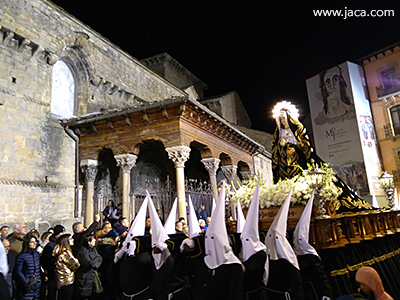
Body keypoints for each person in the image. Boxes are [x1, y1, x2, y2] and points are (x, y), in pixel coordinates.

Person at [41, 224, 67, 300]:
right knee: (52, 293)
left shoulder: (60, 244)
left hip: (60, 273)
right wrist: (51, 270)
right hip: (53, 273)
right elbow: (46, 260)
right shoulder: (51, 245)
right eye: (62, 233)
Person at [74, 234, 103, 300]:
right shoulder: (82, 252)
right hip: (85, 278)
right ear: (88, 242)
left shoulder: (93, 249)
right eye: (93, 240)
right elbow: (89, 264)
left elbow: (100, 258)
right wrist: (96, 260)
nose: (95, 240)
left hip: (93, 276)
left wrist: (97, 260)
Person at [53, 234, 80, 300]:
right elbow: (76, 265)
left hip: (62, 280)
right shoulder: (65, 253)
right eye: (71, 239)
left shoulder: (60, 252)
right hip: (66, 280)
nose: (73, 240)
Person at [15, 235, 41, 300]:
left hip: (37, 284)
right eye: (32, 242)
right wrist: (25, 281)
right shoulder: (22, 256)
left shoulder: (36, 254)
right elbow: (18, 270)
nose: (34, 243)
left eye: (35, 242)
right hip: (27, 285)